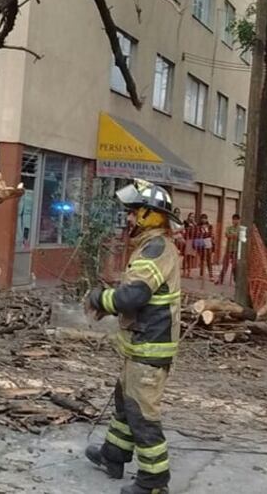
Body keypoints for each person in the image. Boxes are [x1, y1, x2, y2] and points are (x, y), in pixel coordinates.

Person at [85, 178, 182, 494]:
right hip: (139, 347)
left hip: (149, 351)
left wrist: (99, 298)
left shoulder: (156, 249)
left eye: (133, 212)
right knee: (125, 405)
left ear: (150, 215)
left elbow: (132, 298)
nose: (128, 218)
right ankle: (113, 455)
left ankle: (154, 482)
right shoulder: (150, 245)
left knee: (142, 414)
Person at [219, 214, 241, 286]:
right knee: (225, 264)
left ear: (239, 220)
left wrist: (234, 236)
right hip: (229, 248)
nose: (235, 221)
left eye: (236, 219)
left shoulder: (240, 229)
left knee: (235, 266)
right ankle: (220, 279)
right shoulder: (229, 228)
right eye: (234, 219)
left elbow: (240, 237)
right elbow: (227, 234)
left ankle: (236, 281)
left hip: (236, 249)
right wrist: (233, 236)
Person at [196, 214, 214, 282]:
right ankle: (201, 274)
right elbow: (197, 234)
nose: (204, 219)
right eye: (202, 218)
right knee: (202, 258)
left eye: (205, 218)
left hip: (208, 241)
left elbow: (210, 234)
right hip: (201, 241)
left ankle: (211, 275)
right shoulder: (198, 226)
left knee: (209, 258)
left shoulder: (209, 226)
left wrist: (206, 233)